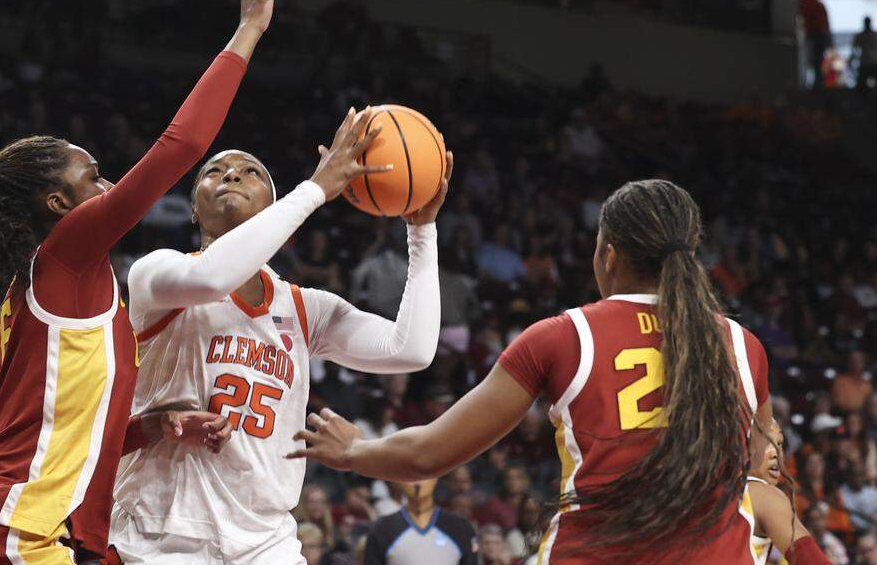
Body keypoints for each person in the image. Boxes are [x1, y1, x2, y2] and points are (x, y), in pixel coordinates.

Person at [0, 0, 273, 565]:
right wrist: (248, 30)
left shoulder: (62, 290)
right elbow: (178, 148)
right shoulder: (66, 256)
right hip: (11, 527)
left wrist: (156, 426)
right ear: (58, 205)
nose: (110, 185)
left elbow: (75, 435)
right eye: (94, 178)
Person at [290, 179, 787, 564]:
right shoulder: (745, 347)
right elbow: (760, 474)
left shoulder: (565, 337)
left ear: (607, 254)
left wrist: (354, 451)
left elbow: (429, 454)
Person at [110, 110, 452, 564]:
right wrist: (315, 189)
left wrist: (421, 231)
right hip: (163, 532)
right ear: (194, 208)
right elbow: (214, 278)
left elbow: (411, 349)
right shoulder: (157, 273)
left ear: (272, 208)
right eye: (216, 170)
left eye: (251, 171)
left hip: (265, 540)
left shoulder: (306, 308)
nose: (232, 173)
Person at [746, 419, 833, 565]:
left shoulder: (707, 490)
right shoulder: (766, 496)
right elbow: (811, 560)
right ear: (744, 446)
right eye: (767, 442)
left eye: (779, 444)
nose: (777, 453)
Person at [364, 478, 478, 565]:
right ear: (400, 481)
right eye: (411, 476)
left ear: (436, 478)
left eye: (424, 475)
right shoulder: (382, 528)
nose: (417, 483)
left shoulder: (461, 527)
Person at [798, 0, 831, 90]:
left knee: (817, 59)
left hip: (818, 35)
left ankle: (817, 82)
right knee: (811, 59)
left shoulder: (817, 4)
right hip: (812, 35)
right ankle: (813, 81)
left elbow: (826, 23)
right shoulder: (806, 3)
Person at [851, 16, 877, 90]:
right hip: (872, 63)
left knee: (862, 87)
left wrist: (852, 60)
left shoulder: (860, 36)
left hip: (869, 63)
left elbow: (854, 51)